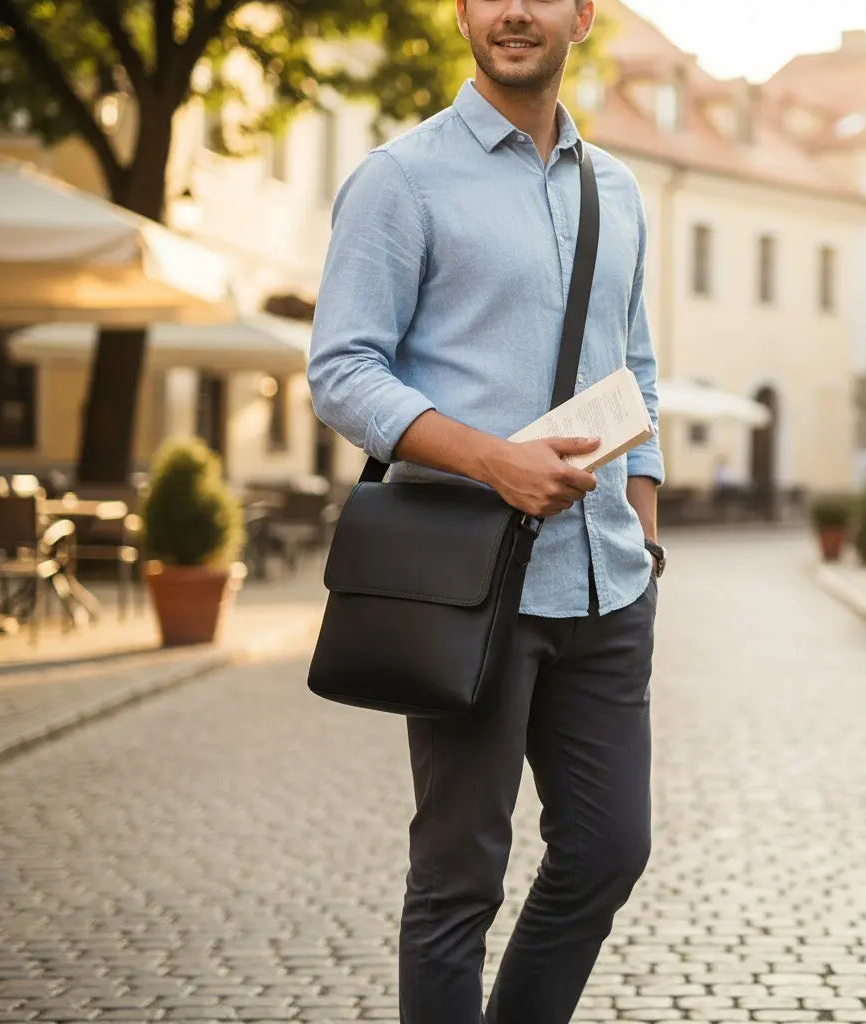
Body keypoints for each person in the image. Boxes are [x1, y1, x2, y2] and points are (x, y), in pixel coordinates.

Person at [307, 1, 665, 1020]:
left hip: (606, 579)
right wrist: (490, 460)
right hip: (466, 584)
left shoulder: (619, 188)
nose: (514, 10)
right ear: (462, 12)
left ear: (582, 16)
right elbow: (341, 372)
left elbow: (633, 364)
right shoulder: (400, 178)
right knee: (459, 877)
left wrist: (644, 523)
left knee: (607, 850)